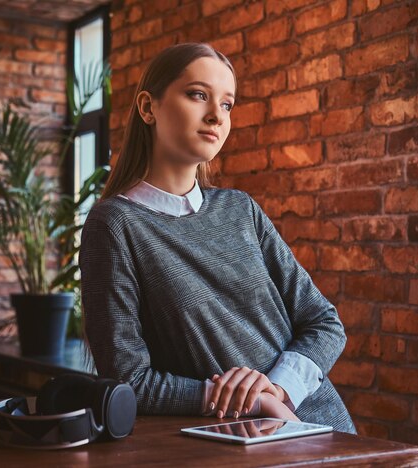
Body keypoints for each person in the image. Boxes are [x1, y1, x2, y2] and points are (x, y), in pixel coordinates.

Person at [80, 42, 355, 433]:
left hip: (324, 425)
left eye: (227, 104)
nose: (216, 116)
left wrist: (277, 389)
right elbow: (130, 381)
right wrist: (247, 400)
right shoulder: (115, 225)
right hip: (236, 442)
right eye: (198, 95)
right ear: (148, 107)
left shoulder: (241, 210)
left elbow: (324, 322)